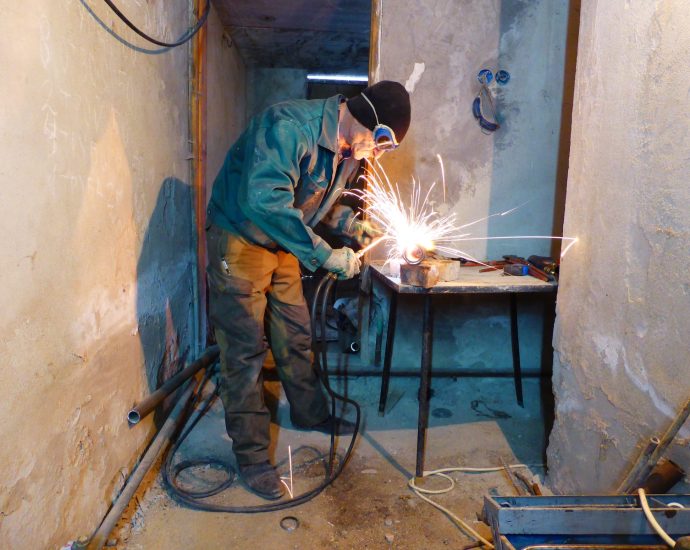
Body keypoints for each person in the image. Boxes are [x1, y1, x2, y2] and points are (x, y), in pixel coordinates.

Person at [205, 80, 411, 500]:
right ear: (369, 123)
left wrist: (352, 227)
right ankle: (252, 457)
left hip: (283, 239)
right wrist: (326, 256)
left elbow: (319, 200)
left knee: (296, 332)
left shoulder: (348, 148)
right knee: (244, 348)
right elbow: (264, 201)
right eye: (380, 145)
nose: (376, 155)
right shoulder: (287, 126)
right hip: (240, 236)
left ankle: (309, 412)